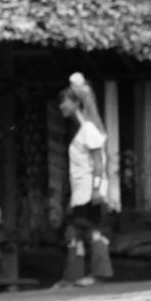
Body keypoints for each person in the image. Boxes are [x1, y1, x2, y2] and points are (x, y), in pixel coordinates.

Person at [56, 72, 113, 287]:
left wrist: (98, 189)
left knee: (89, 230)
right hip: (82, 191)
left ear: (76, 103)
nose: (61, 106)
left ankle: (97, 274)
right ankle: (73, 277)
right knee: (75, 231)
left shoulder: (88, 129)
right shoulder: (82, 129)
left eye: (65, 101)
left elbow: (99, 162)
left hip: (90, 190)